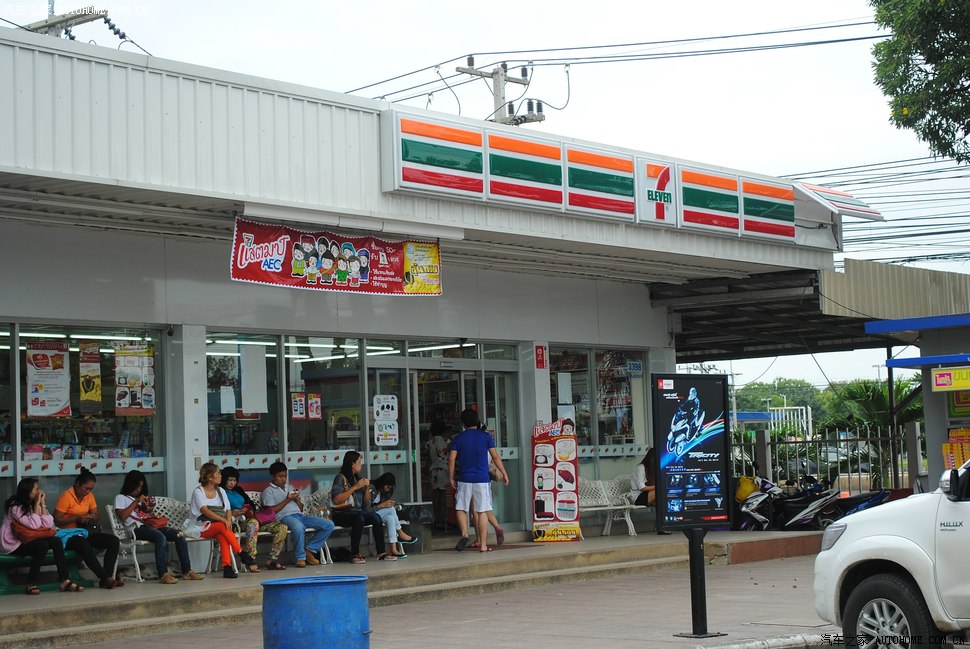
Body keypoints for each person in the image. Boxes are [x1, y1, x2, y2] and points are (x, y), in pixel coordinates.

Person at [114, 470, 203, 584]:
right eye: (136, 486)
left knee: (179, 535)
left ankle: (187, 571)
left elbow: (147, 515)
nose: (139, 489)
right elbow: (122, 516)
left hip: (150, 525)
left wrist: (149, 510)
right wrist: (136, 502)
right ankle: (163, 574)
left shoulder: (141, 498)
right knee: (160, 537)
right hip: (136, 529)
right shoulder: (121, 498)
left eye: (141, 487)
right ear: (129, 485)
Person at [1, 477, 81, 594]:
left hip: (29, 539)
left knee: (56, 541)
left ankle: (65, 580)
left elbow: (47, 524)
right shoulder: (15, 507)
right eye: (36, 489)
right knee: (41, 545)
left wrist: (42, 503)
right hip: (14, 544)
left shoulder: (33, 504)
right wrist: (37, 503)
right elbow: (34, 525)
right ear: (27, 491)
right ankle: (31, 582)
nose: (39, 492)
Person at [448, 409, 509, 553]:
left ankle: (464, 534)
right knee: (482, 511)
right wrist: (504, 473)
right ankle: (483, 546)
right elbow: (495, 457)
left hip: (464, 478)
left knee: (461, 508)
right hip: (482, 479)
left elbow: (451, 459)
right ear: (477, 421)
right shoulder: (486, 436)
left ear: (463, 423)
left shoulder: (458, 438)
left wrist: (451, 477)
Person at [53, 467, 124, 589]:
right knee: (84, 544)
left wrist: (89, 516)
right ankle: (105, 578)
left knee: (113, 541)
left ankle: (106, 578)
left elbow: (96, 515)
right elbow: (57, 520)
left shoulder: (89, 496)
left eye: (91, 489)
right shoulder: (66, 496)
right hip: (69, 535)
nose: (88, 491)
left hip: (86, 531)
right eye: (86, 488)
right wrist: (75, 518)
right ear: (77, 484)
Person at [261, 461, 333, 568]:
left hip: (300, 516)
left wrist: (297, 500)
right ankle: (300, 557)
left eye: (285, 476)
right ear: (272, 477)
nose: (283, 479)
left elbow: (301, 508)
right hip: (284, 517)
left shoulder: (289, 488)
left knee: (329, 524)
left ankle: (310, 549)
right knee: (298, 527)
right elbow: (270, 511)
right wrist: (287, 499)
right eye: (280, 476)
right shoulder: (268, 491)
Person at [190, 462, 256, 578]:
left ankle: (227, 567)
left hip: (218, 526)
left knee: (223, 535)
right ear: (210, 477)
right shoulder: (198, 492)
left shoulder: (220, 491)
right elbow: (205, 511)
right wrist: (224, 520)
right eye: (218, 473)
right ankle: (241, 552)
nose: (221, 476)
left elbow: (228, 509)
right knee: (222, 526)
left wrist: (229, 520)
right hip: (200, 527)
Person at [221, 466, 289, 571]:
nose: (232, 483)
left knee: (282, 527)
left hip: (253, 519)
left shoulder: (238, 490)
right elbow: (219, 510)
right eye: (229, 480)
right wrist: (234, 514)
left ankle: (272, 559)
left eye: (234, 480)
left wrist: (249, 509)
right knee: (253, 523)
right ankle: (251, 559)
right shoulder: (220, 492)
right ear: (224, 479)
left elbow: (250, 504)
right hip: (236, 523)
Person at [330, 451, 392, 563]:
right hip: (341, 514)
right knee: (360, 517)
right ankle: (355, 553)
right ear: (352, 464)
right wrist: (354, 487)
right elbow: (336, 499)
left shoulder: (357, 478)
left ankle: (381, 552)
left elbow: (366, 502)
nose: (361, 464)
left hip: (357, 513)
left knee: (376, 517)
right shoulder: (340, 478)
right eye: (359, 462)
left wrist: (367, 488)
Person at [369, 473, 417, 558]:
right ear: (382, 483)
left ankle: (394, 549)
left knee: (390, 518)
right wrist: (382, 505)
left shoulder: (386, 491)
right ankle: (400, 533)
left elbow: (384, 505)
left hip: (378, 514)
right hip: (369, 514)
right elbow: (366, 509)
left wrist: (388, 504)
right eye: (387, 487)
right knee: (391, 509)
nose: (388, 490)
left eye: (390, 488)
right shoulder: (371, 488)